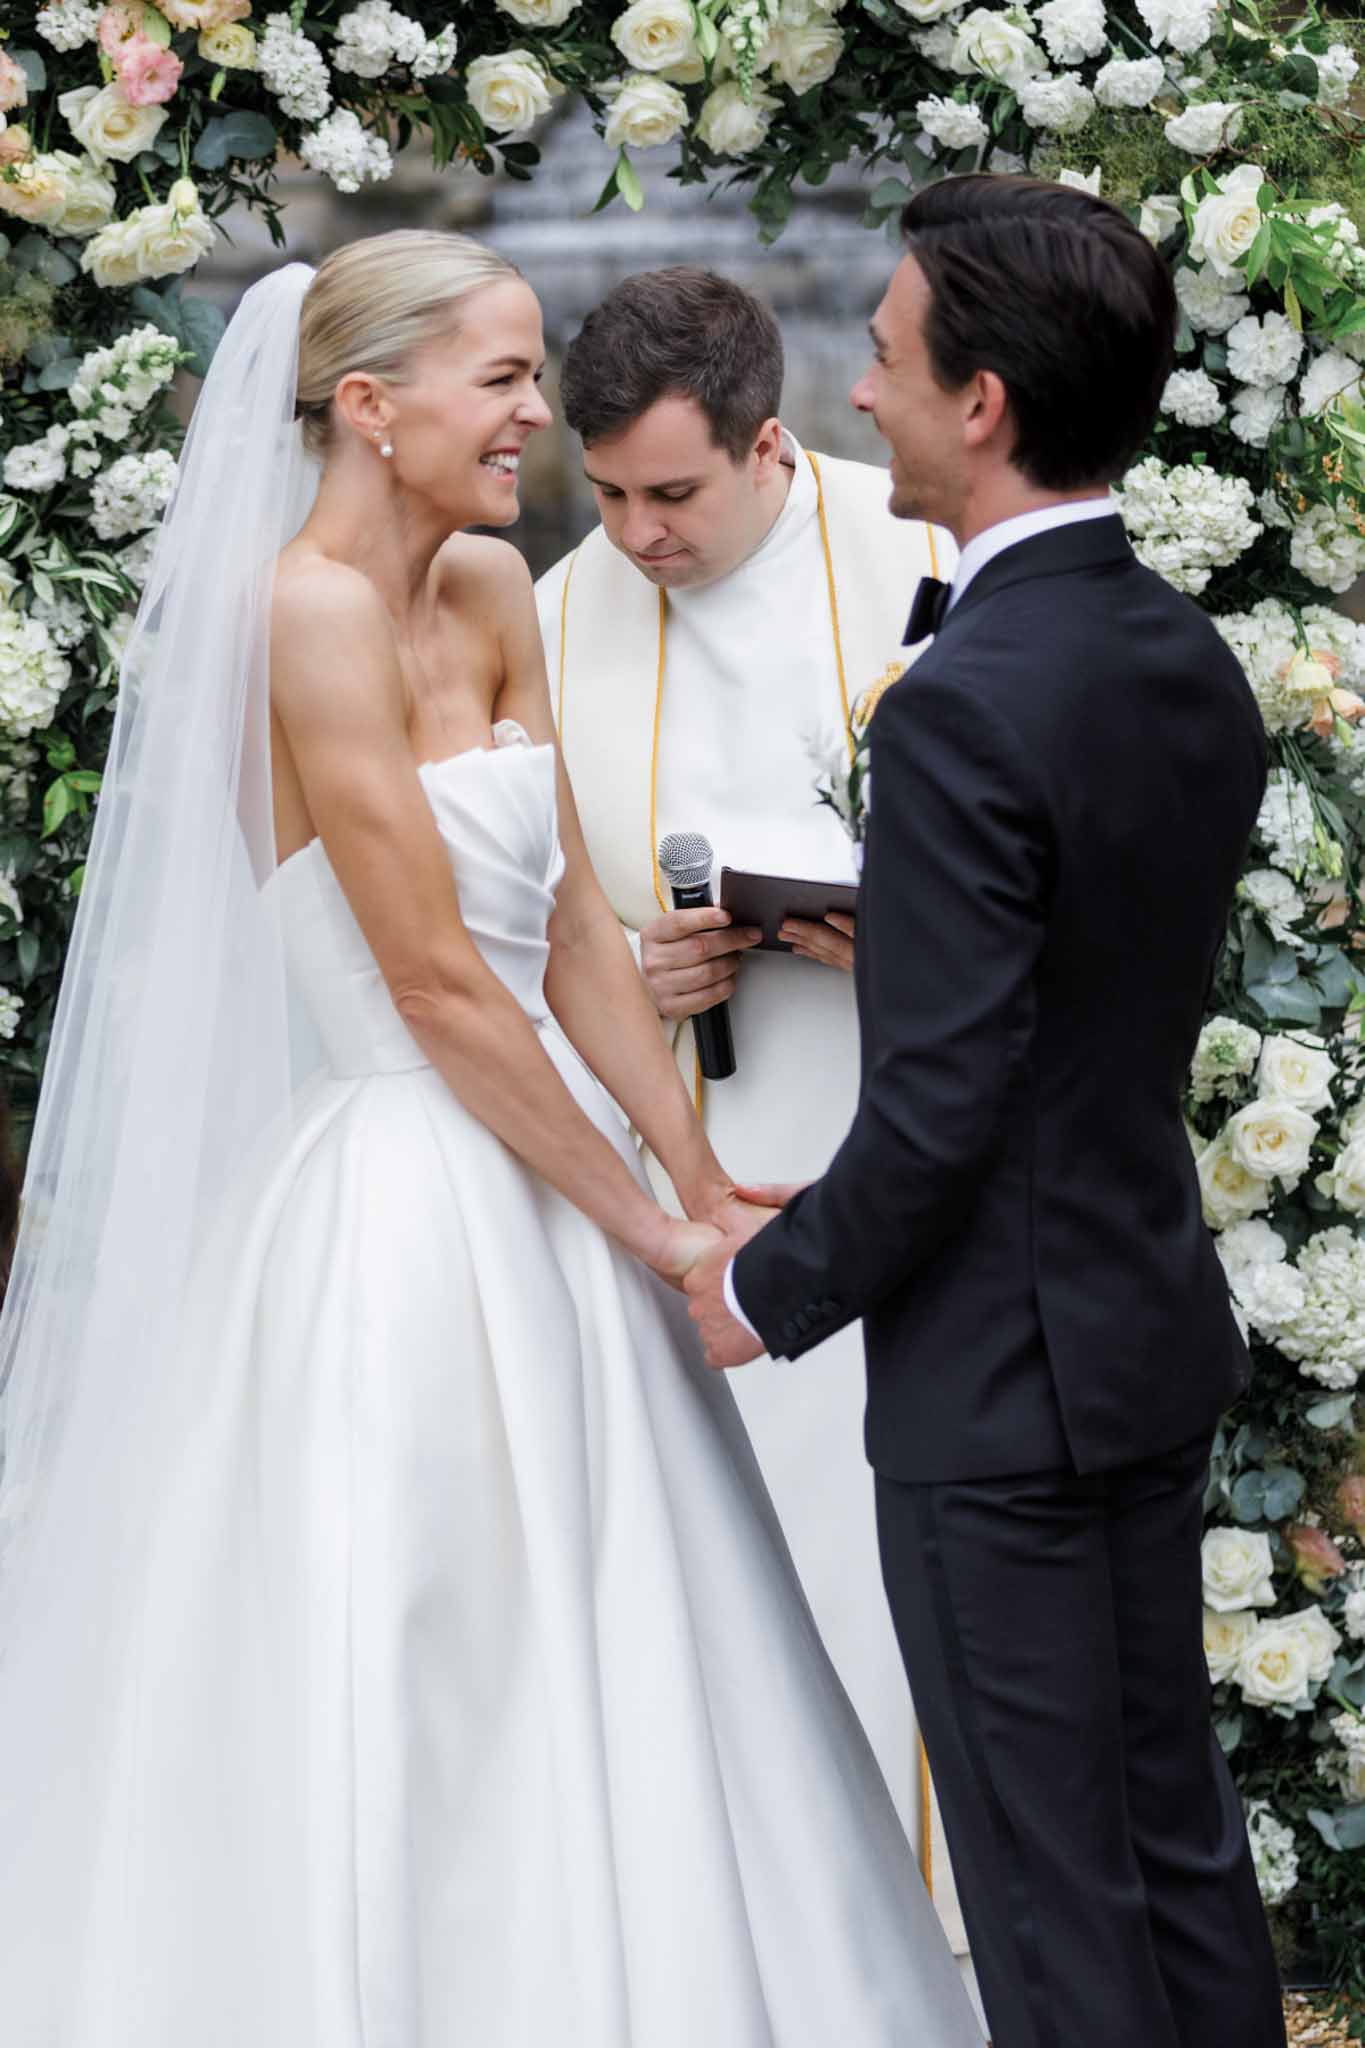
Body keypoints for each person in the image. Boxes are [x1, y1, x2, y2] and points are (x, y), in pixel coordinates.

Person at [0, 231, 982, 2048]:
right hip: (402, 1189)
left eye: (535, 375)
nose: (537, 414)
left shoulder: (490, 586)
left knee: (626, 1622)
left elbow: (574, 939)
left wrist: (695, 1185)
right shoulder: (297, 614)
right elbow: (442, 992)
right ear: (369, 409)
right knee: (421, 1625)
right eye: (508, 379)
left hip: (552, 1168)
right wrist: (651, 1227)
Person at [687, 176, 1288, 2048]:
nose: (858, 396)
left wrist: (765, 1285)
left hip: (998, 1385)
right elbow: (1076, 1017)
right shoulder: (1182, 655)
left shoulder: (957, 708)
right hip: (1138, 1325)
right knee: (1170, 1839)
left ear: (983, 406)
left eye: (879, 360)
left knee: (1043, 1889)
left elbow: (943, 1103)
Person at [536, 266, 955, 1853]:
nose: (639, 534)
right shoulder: (553, 615)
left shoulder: (922, 553)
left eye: (674, 493)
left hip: (900, 1126)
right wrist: (638, 962)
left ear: (768, 444)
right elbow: (525, 924)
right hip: (697, 1159)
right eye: (611, 493)